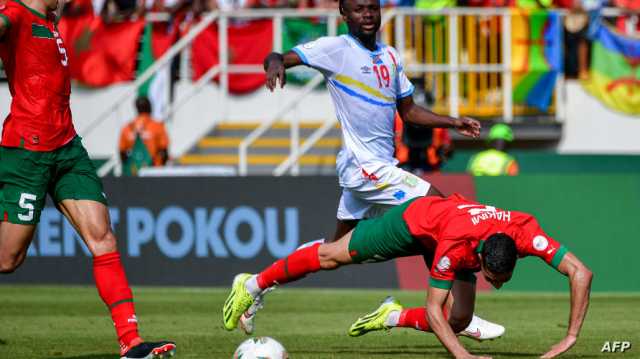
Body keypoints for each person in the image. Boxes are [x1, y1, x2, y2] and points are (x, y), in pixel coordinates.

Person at [257, 0, 502, 339]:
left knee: (333, 252)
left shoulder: (390, 55)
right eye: (358, 9)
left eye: (372, 7)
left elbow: (410, 111)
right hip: (363, 167)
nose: (367, 14)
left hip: (380, 166)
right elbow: (278, 56)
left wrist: (452, 121)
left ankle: (254, 285)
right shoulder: (335, 49)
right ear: (344, 15)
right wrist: (274, 66)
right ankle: (462, 313)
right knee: (441, 209)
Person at [0, 1, 175, 358]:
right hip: (27, 151)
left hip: (67, 147)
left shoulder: (50, 20)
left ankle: (132, 343)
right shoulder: (14, 13)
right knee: (7, 259)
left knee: (103, 237)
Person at [222, 194, 593, 359]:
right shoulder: (456, 245)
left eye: (502, 279)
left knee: (460, 319)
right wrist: (462, 356)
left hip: (456, 229)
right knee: (332, 255)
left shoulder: (525, 230)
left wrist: (571, 336)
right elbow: (433, 308)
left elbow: (580, 272)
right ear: (480, 258)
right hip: (415, 222)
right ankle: (253, 283)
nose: (495, 284)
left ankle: (391, 315)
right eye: (492, 277)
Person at [119, 96, 170, 176]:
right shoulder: (158, 126)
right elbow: (164, 151)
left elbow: (122, 154)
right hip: (154, 173)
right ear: (150, 107)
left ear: (136, 108)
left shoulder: (127, 128)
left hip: (133, 173)